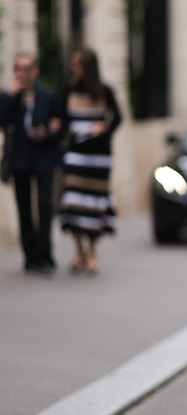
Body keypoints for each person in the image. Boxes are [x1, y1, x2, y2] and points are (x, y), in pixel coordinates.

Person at [59, 48, 122, 276]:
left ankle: (93, 253)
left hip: (98, 157)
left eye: (77, 64)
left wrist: (104, 128)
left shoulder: (105, 91)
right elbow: (62, 119)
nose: (73, 68)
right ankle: (79, 252)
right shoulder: (69, 89)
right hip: (76, 154)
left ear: (88, 67)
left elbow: (118, 118)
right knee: (74, 202)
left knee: (94, 205)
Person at [0, 53, 64, 273]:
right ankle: (30, 257)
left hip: (44, 158)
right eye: (18, 69)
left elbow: (60, 125)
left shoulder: (48, 95)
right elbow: (1, 120)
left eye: (26, 69)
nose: (22, 74)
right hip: (20, 160)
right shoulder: (9, 97)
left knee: (45, 206)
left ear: (35, 71)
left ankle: (45, 255)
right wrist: (10, 96)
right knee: (24, 209)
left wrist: (47, 133)